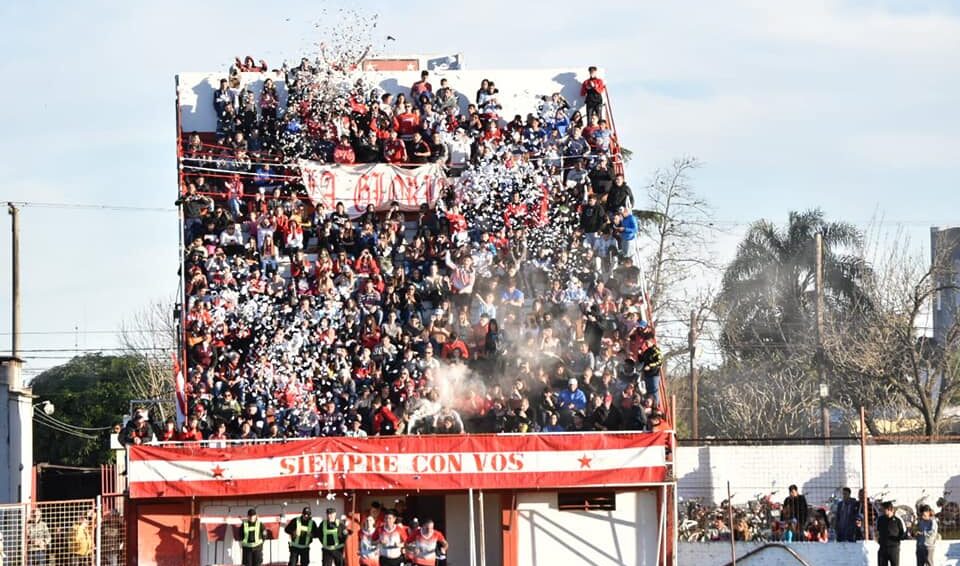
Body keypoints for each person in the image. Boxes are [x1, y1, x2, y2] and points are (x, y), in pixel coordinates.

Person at [876, 501, 907, 566]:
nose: (882, 510)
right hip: (883, 547)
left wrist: (897, 538)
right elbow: (877, 531)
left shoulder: (898, 520)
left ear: (889, 509)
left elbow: (903, 533)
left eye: (883, 509)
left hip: (894, 548)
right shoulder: (880, 519)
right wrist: (878, 539)